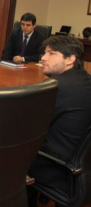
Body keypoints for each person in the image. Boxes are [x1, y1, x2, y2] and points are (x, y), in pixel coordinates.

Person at [27, 36, 91, 206]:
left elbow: (25, 129)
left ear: (70, 59)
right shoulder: (85, 81)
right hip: (82, 167)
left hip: (57, 168)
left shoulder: (55, 86)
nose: (43, 58)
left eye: (51, 54)